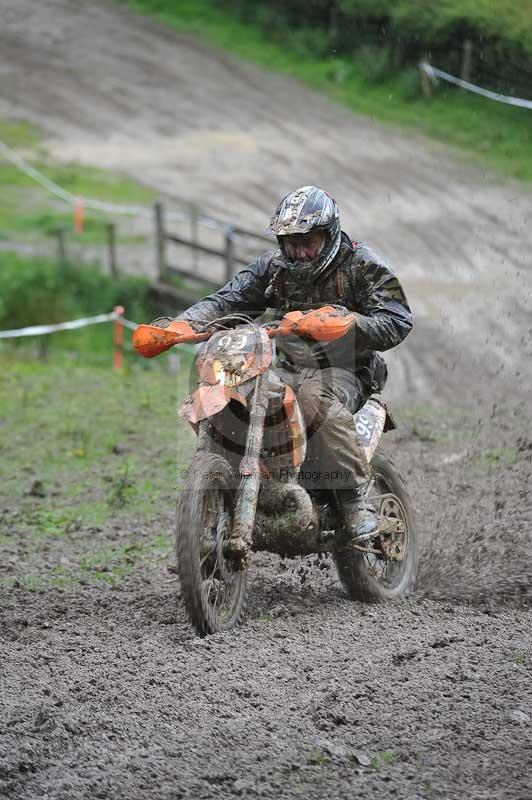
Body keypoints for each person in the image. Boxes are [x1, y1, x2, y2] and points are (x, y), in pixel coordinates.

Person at [165, 186, 412, 543]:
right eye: (291, 242)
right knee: (231, 390)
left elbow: (398, 319)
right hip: (285, 366)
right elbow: (229, 300)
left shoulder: (361, 263)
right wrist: (181, 325)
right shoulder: (274, 267)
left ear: (327, 236)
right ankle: (221, 495)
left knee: (313, 401)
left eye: (307, 241)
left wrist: (349, 324)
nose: (299, 251)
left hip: (348, 371)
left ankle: (354, 500)